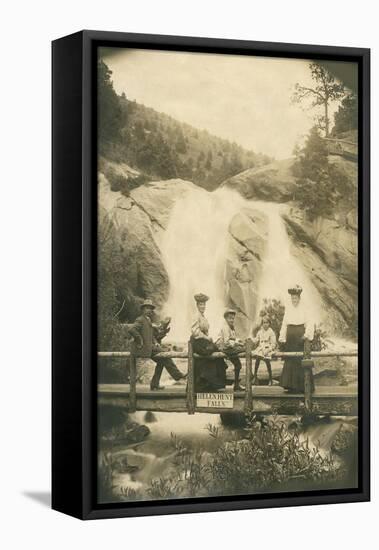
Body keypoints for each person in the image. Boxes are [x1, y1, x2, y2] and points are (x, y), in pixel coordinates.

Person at [128, 299, 186, 390]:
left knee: (162, 362)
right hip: (145, 348)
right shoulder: (140, 319)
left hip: (151, 347)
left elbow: (150, 335)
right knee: (166, 355)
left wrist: (155, 343)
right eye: (147, 308)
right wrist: (139, 340)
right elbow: (131, 330)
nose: (149, 310)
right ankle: (178, 375)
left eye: (150, 308)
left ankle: (154, 385)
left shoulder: (148, 320)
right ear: (143, 309)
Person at [279, 285, 315, 393]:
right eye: (292, 298)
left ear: (299, 298)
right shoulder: (288, 309)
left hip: (299, 337)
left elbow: (310, 322)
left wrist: (306, 335)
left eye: (295, 298)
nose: (294, 300)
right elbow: (284, 324)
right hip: (290, 337)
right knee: (290, 359)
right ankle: (290, 385)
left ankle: (302, 386)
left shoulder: (304, 308)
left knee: (300, 359)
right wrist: (282, 338)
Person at [190, 293, 227, 392]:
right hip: (197, 341)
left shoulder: (203, 317)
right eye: (201, 304)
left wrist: (208, 338)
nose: (203, 306)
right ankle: (205, 382)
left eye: (204, 304)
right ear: (197, 305)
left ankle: (213, 383)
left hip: (203, 341)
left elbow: (205, 331)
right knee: (211, 350)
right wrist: (207, 338)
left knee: (215, 351)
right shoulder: (195, 316)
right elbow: (195, 332)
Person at [216, 309, 245, 391]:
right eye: (230, 318)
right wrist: (238, 345)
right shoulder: (225, 327)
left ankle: (236, 385)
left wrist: (238, 342)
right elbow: (226, 342)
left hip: (229, 348)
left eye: (233, 318)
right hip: (223, 348)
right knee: (244, 349)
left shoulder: (231, 327)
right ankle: (235, 385)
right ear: (225, 319)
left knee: (238, 365)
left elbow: (233, 339)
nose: (232, 320)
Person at [252, 316, 276, 386]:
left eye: (267, 323)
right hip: (261, 348)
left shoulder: (271, 332)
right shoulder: (260, 332)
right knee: (257, 359)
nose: (265, 324)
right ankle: (255, 377)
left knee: (267, 362)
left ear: (269, 323)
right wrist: (251, 340)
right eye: (264, 323)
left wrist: (269, 350)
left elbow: (273, 343)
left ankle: (270, 379)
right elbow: (256, 339)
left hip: (267, 348)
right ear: (262, 324)